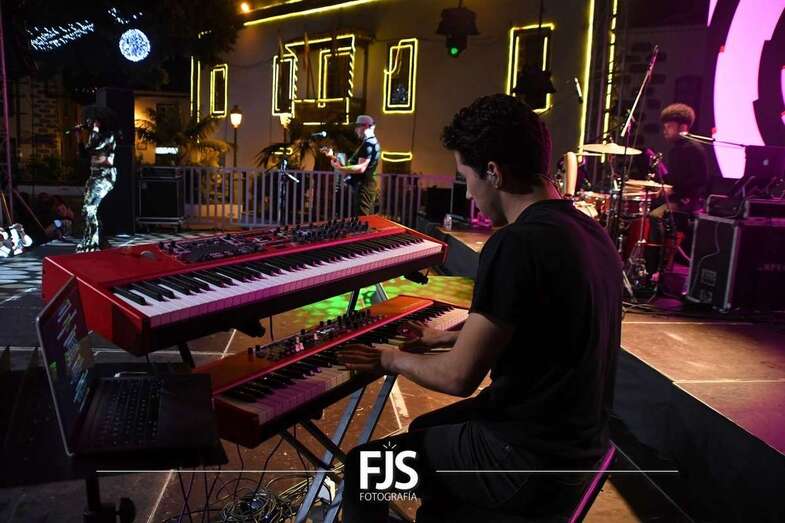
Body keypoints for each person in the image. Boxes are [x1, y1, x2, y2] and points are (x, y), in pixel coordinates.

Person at [339, 94, 622, 522]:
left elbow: (458, 378)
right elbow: (541, 332)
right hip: (577, 448)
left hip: (522, 460)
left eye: (466, 177)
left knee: (365, 470)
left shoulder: (515, 244)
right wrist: (442, 338)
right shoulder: (589, 231)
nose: (469, 193)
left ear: (493, 172)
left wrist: (389, 358)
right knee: (425, 431)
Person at [650, 103, 709, 219]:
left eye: (669, 127)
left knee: (654, 216)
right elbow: (676, 179)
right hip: (676, 197)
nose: (665, 131)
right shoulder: (675, 150)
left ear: (682, 128)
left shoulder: (693, 148)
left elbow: (701, 180)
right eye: (664, 127)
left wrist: (674, 190)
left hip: (688, 201)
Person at [76, 105, 118, 253]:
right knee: (88, 209)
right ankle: (98, 240)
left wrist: (94, 129)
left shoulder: (109, 136)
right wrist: (79, 137)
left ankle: (92, 243)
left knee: (90, 208)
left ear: (98, 121)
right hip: (94, 175)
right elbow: (84, 154)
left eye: (91, 120)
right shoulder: (95, 136)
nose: (87, 122)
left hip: (104, 176)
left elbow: (94, 146)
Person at [324, 114, 381, 216]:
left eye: (357, 127)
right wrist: (333, 157)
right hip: (364, 186)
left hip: (363, 187)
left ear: (365, 126)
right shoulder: (370, 142)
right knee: (365, 218)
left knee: (363, 219)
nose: (355, 130)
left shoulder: (368, 144)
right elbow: (354, 166)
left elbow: (361, 168)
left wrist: (340, 168)